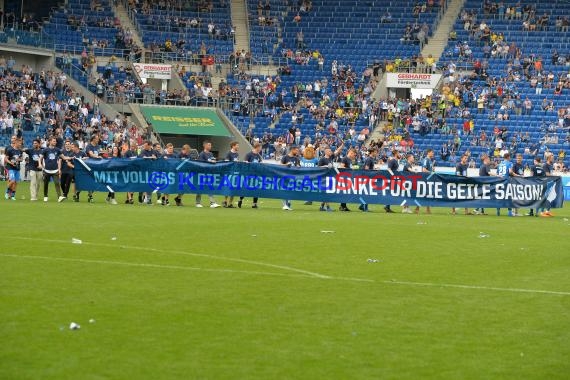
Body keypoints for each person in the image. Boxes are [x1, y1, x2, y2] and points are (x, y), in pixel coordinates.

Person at [317, 143, 343, 211]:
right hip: (324, 178)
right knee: (326, 192)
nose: (330, 152)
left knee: (327, 192)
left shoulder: (331, 157)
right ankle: (328, 207)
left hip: (330, 177)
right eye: (329, 151)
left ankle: (322, 207)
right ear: (325, 152)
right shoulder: (322, 159)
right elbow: (318, 167)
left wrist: (342, 146)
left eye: (330, 151)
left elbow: (337, 151)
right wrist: (325, 166)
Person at [196, 141, 221, 208]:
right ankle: (198, 203)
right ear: (205, 146)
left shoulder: (210, 154)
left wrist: (214, 161)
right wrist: (209, 161)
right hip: (202, 174)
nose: (210, 146)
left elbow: (213, 161)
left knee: (210, 187)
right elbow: (201, 164)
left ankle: (212, 203)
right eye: (209, 145)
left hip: (209, 174)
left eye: (210, 145)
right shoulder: (202, 154)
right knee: (200, 187)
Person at [239, 142, 263, 208]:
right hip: (248, 174)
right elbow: (244, 161)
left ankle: (254, 204)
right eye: (260, 147)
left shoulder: (258, 155)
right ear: (257, 147)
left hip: (256, 174)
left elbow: (261, 163)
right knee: (246, 188)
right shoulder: (249, 154)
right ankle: (240, 199)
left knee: (256, 188)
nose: (261, 149)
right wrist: (246, 162)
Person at [39, 136, 63, 202]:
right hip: (47, 170)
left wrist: (71, 157)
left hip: (55, 170)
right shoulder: (45, 150)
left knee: (57, 183)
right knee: (46, 184)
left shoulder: (57, 150)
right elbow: (40, 158)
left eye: (55, 141)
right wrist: (40, 164)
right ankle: (45, 196)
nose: (55, 142)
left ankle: (59, 197)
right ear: (50, 141)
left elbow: (63, 157)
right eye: (54, 141)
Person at [83, 134, 103, 203]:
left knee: (96, 181)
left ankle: (89, 194)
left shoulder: (97, 146)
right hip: (89, 166)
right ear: (93, 139)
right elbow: (91, 154)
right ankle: (90, 196)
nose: (98, 140)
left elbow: (100, 153)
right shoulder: (89, 146)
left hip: (97, 165)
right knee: (90, 181)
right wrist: (97, 157)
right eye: (97, 138)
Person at [280, 145, 300, 211]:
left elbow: (299, 167)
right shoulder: (285, 157)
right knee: (285, 190)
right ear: (292, 150)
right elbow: (280, 165)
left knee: (290, 191)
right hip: (285, 176)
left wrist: (298, 166)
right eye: (296, 150)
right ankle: (285, 205)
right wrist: (286, 165)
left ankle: (288, 204)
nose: (297, 152)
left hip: (293, 177)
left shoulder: (296, 158)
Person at [4, 136, 23, 200]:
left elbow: (21, 158)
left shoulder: (20, 151)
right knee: (12, 180)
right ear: (16, 142)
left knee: (16, 182)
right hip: (10, 168)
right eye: (19, 143)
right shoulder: (10, 150)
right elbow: (5, 159)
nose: (20, 144)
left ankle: (12, 196)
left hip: (17, 168)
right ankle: (7, 192)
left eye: (21, 143)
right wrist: (11, 163)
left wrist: (19, 159)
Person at [139, 140, 157, 205]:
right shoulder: (143, 151)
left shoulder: (154, 151)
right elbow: (141, 157)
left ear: (149, 145)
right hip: (144, 171)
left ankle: (148, 200)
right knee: (143, 185)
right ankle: (141, 197)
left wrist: (155, 158)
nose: (144, 146)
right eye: (144, 145)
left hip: (151, 171)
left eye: (146, 145)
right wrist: (147, 157)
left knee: (150, 185)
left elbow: (159, 158)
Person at [359, 148, 378, 212]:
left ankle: (362, 205)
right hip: (367, 178)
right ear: (372, 152)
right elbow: (366, 169)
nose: (376, 153)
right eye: (375, 152)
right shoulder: (369, 159)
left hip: (368, 178)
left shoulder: (371, 159)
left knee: (367, 193)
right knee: (367, 193)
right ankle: (364, 207)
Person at [496, 152, 514, 216]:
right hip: (506, 181)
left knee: (499, 196)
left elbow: (497, 174)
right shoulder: (510, 163)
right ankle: (509, 212)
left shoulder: (500, 164)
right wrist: (516, 175)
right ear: (508, 157)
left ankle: (498, 210)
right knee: (509, 196)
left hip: (499, 181)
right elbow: (510, 172)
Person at [223, 141, 240, 208]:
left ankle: (230, 203)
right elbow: (226, 162)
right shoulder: (229, 153)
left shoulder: (237, 154)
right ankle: (225, 201)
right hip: (229, 173)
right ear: (233, 146)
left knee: (233, 188)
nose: (238, 147)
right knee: (228, 187)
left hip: (235, 173)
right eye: (237, 145)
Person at [418, 148, 435, 214]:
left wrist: (432, 170)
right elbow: (424, 170)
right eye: (432, 152)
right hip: (425, 179)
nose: (433, 153)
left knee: (427, 194)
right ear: (428, 153)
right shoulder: (426, 160)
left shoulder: (430, 160)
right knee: (424, 194)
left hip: (429, 180)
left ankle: (426, 209)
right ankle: (419, 208)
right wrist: (431, 172)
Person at [539, 153, 555, 217]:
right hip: (546, 182)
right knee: (545, 197)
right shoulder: (545, 165)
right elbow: (547, 174)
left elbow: (550, 173)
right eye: (552, 158)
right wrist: (555, 176)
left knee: (550, 197)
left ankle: (547, 211)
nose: (553, 159)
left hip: (550, 182)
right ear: (549, 158)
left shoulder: (551, 165)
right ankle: (542, 212)